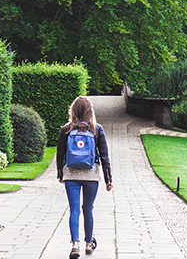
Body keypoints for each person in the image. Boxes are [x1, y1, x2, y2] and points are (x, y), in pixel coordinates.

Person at [57, 96, 112, 258]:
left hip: (71, 174)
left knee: (74, 209)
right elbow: (104, 156)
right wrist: (108, 179)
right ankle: (89, 244)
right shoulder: (97, 129)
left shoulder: (66, 129)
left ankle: (75, 244)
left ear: (73, 110)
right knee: (88, 209)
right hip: (91, 174)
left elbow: (60, 154)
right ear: (90, 111)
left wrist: (61, 174)